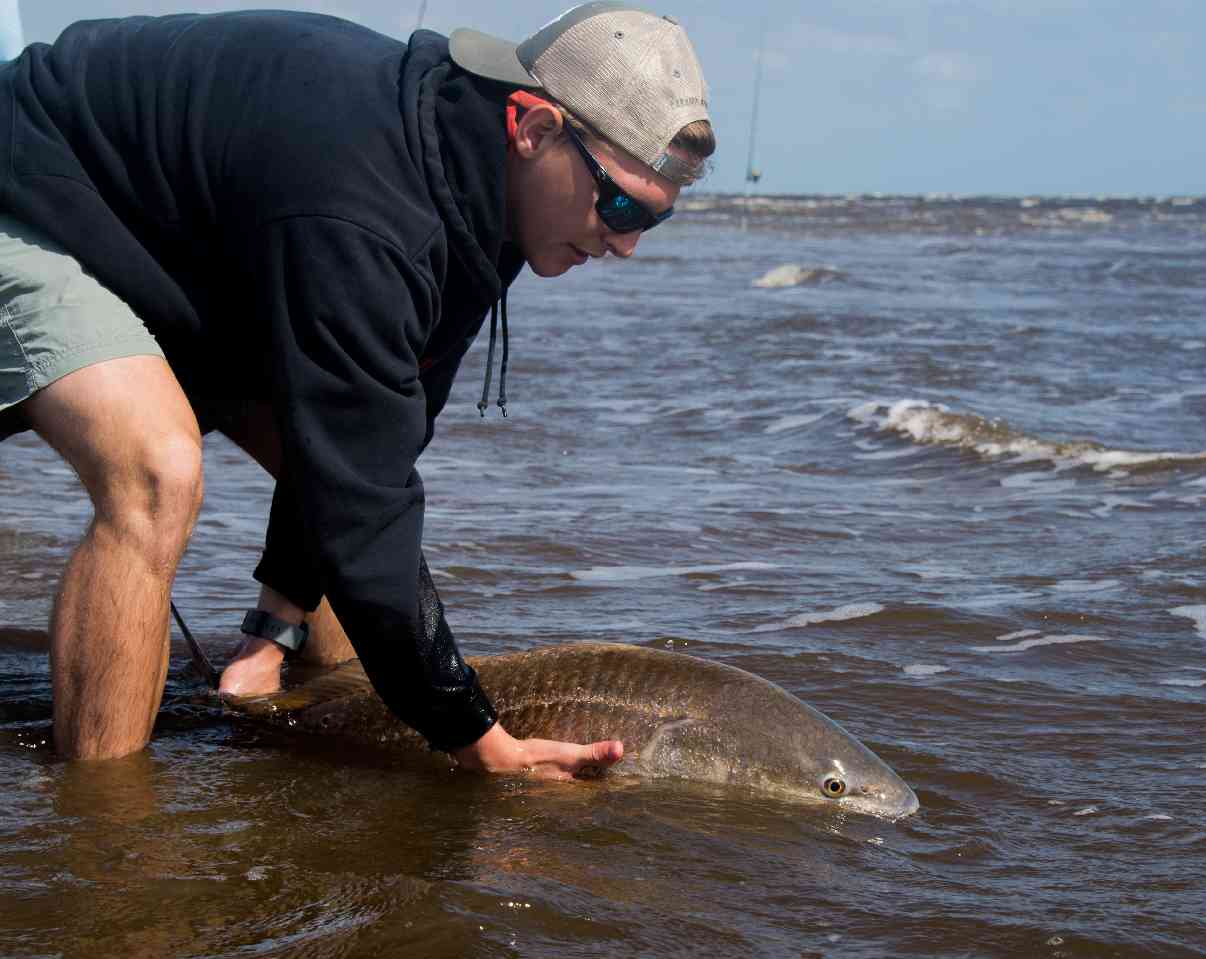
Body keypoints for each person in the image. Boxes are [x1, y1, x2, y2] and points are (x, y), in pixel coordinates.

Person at [0, 2, 715, 773]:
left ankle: (311, 741)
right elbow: (358, 506)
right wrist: (479, 738)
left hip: (180, 248)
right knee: (156, 469)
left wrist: (271, 627)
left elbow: (381, 442)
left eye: (653, 221)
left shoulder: (491, 196)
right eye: (619, 205)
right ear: (533, 129)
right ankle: (104, 844)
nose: (628, 244)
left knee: (363, 515)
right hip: (34, 183)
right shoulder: (371, 204)